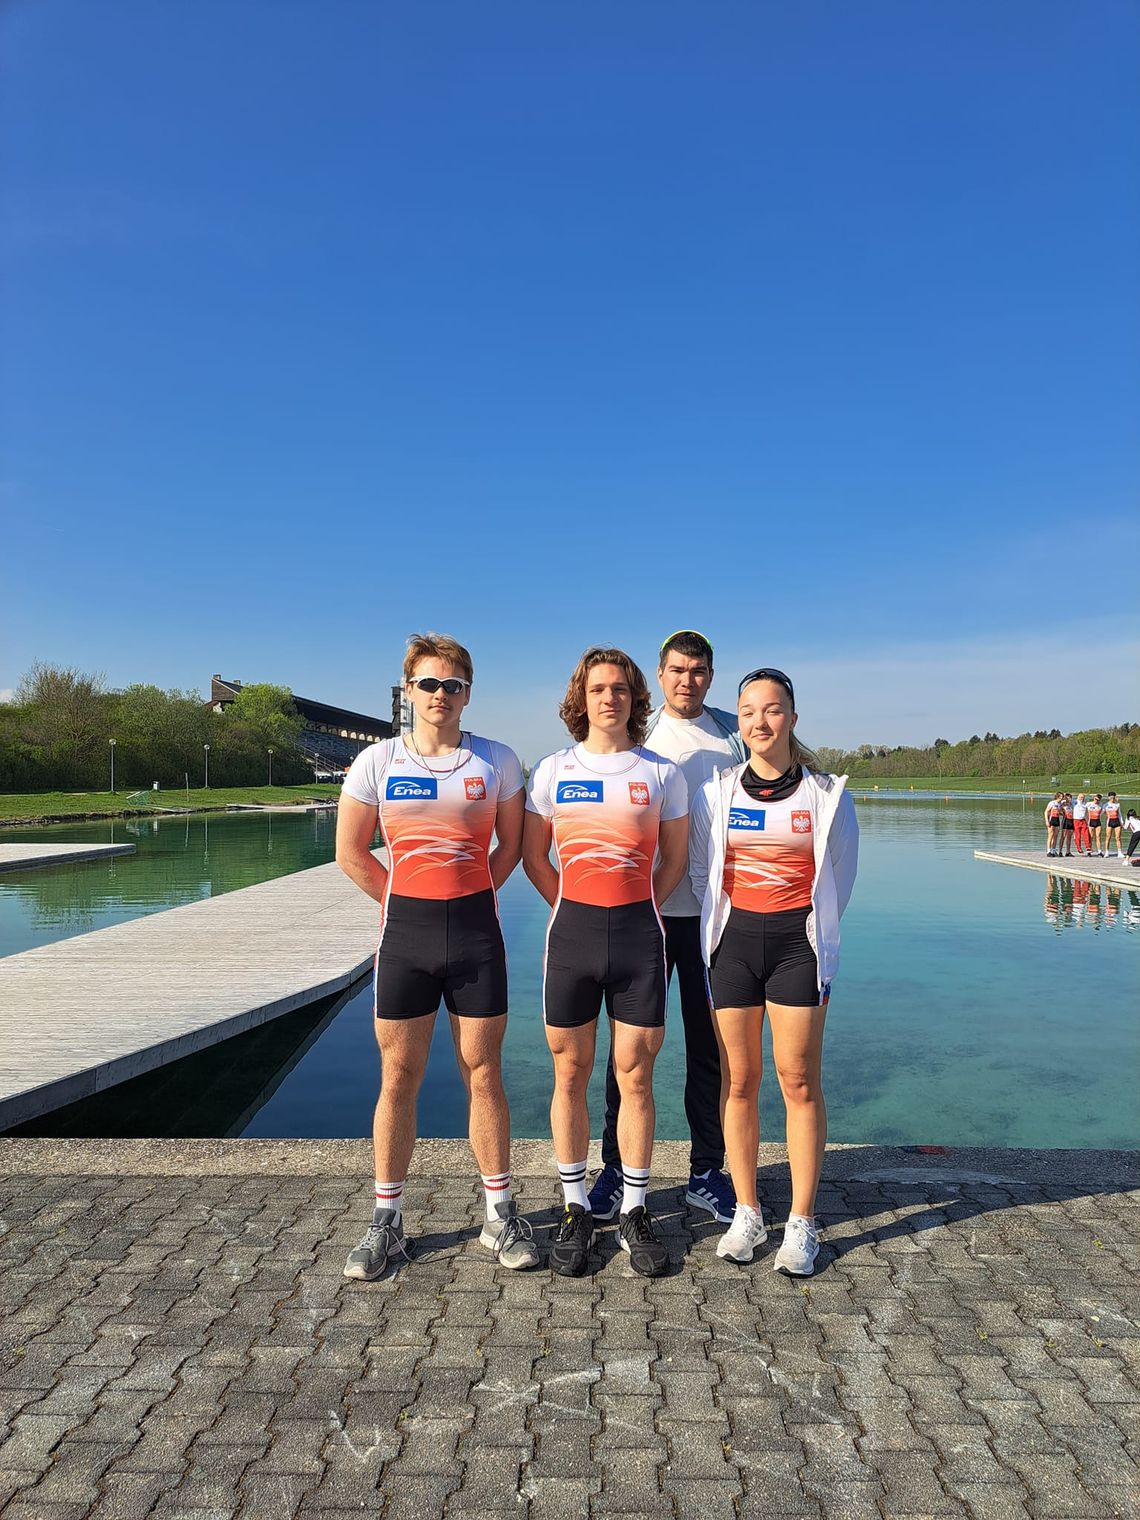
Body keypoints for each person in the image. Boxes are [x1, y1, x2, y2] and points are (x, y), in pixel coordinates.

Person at [336, 633, 538, 1279]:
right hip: (405, 938)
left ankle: (500, 1214)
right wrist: (406, 903)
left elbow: (511, 847)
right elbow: (352, 853)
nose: (440, 695)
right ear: (407, 692)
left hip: (476, 933)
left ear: (468, 693)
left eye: (452, 685)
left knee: (484, 1073)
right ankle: (386, 1222)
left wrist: (467, 896)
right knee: (399, 1076)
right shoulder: (376, 761)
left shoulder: (497, 760)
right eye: (428, 684)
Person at [523, 647, 689, 1278]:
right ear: (581, 698)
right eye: (598, 689)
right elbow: (535, 857)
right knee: (570, 1072)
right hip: (572, 935)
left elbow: (674, 862)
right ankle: (572, 1206)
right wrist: (574, 905)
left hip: (641, 937)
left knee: (636, 1076)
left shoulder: (661, 772)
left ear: (635, 698)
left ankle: (636, 1208)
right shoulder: (552, 771)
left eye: (620, 689)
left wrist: (635, 905)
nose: (609, 698)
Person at [690, 667, 858, 1277]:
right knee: (738, 1081)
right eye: (748, 712)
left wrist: (819, 948)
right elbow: (702, 871)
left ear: (792, 716)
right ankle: (747, 1211)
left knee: (799, 1081)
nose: (760, 722)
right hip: (733, 947)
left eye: (773, 710)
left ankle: (803, 1222)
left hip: (797, 948)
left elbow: (840, 878)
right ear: (739, 720)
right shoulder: (718, 793)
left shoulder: (825, 795)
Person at [588, 629, 745, 1228]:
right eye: (677, 670)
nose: (688, 680)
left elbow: (796, 772)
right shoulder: (637, 732)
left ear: (711, 674)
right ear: (660, 674)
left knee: (711, 1050)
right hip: (646, 915)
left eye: (699, 670)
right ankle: (614, 1168)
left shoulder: (735, 729)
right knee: (627, 1057)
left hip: (714, 919)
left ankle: (707, 1171)